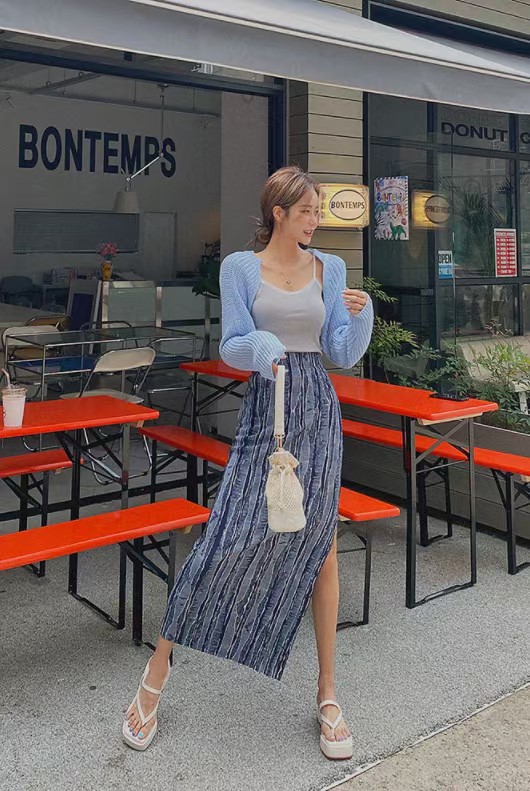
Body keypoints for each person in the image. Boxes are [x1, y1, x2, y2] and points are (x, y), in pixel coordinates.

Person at [123, 165, 373, 760]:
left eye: (318, 210)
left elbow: (339, 352)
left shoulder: (330, 268)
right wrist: (261, 348)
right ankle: (155, 675)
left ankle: (328, 693)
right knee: (225, 537)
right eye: (307, 210)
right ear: (278, 213)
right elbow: (232, 345)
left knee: (321, 548)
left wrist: (361, 316)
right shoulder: (240, 267)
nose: (315, 220)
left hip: (317, 408)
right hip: (268, 409)